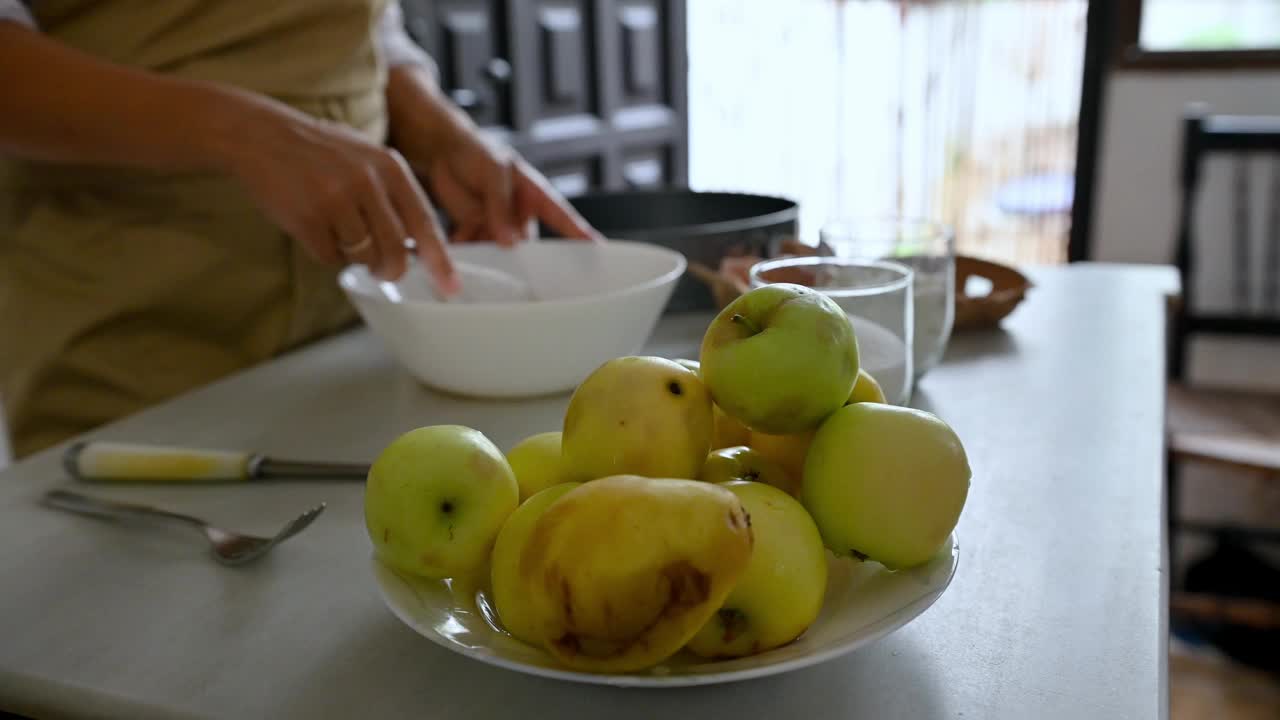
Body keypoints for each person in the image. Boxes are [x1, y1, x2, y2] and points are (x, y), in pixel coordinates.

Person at [0, 1, 601, 459]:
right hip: (131, 330)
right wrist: (238, 131)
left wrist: (442, 132)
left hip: (352, 326)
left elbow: (364, 30)